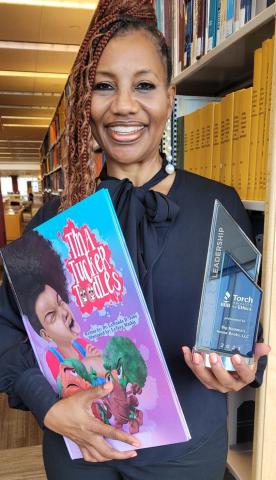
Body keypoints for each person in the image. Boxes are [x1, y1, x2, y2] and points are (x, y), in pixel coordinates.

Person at [0, 1, 270, 479]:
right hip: (81, 451)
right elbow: (7, 333)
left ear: (169, 97)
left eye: (143, 85)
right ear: (87, 100)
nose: (124, 104)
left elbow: (242, 327)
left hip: (186, 456)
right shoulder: (54, 220)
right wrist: (48, 407)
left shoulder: (219, 205)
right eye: (105, 86)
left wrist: (244, 368)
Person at [4, 229, 106, 381]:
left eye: (60, 302)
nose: (63, 312)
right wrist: (89, 364)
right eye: (51, 315)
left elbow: (106, 367)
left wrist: (96, 362)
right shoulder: (51, 357)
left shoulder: (82, 344)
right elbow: (68, 380)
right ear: (45, 334)